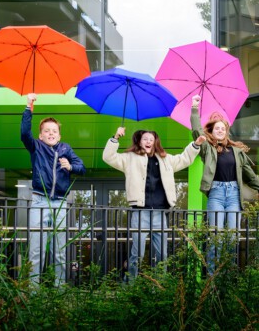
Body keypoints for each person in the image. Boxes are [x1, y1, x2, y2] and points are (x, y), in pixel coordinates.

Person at [103, 127, 205, 279]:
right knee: (137, 253)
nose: (148, 141)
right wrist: (115, 137)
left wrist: (195, 145)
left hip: (160, 213)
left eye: (151, 139)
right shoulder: (129, 158)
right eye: (145, 139)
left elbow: (184, 159)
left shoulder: (165, 159)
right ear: (139, 141)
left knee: (162, 254)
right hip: (140, 212)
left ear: (155, 142)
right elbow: (108, 157)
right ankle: (130, 285)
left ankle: (159, 286)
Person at [21, 93, 86, 286]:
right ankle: (33, 292)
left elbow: (81, 167)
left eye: (54, 131)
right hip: (39, 200)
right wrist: (28, 107)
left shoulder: (66, 149)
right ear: (41, 135)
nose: (51, 133)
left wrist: (71, 167)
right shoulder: (36, 147)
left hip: (60, 203)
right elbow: (25, 133)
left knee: (59, 249)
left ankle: (58, 291)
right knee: (36, 249)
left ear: (59, 135)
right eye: (47, 131)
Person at [191, 94, 259, 274]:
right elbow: (197, 131)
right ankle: (213, 281)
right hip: (217, 194)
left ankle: (226, 280)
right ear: (211, 132)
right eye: (217, 128)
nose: (220, 131)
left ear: (226, 130)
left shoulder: (236, 152)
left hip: (234, 195)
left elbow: (250, 176)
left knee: (232, 239)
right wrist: (195, 108)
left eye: (223, 128)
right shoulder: (208, 149)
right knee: (216, 238)